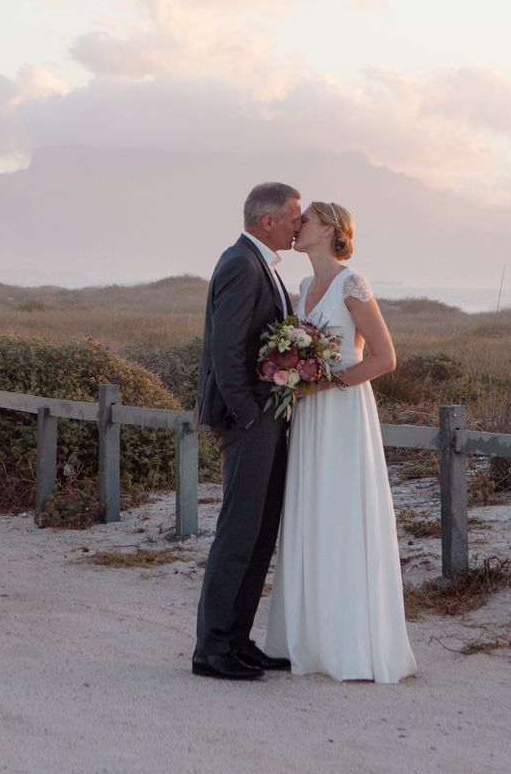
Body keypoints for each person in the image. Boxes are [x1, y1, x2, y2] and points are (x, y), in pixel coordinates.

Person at [262, 200, 418, 683]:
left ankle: (352, 643)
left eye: (305, 219)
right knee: (311, 512)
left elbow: (385, 359)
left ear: (329, 229)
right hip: (308, 414)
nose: (297, 225)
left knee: (342, 513)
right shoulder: (306, 286)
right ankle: (308, 640)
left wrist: (323, 381)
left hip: (343, 412)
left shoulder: (353, 284)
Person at [192, 181, 302, 680]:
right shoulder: (240, 263)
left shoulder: (266, 267)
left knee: (259, 533)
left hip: (266, 421)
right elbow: (227, 350)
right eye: (294, 216)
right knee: (237, 533)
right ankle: (211, 650)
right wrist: (248, 416)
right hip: (250, 423)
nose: (299, 225)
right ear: (268, 222)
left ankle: (237, 639)